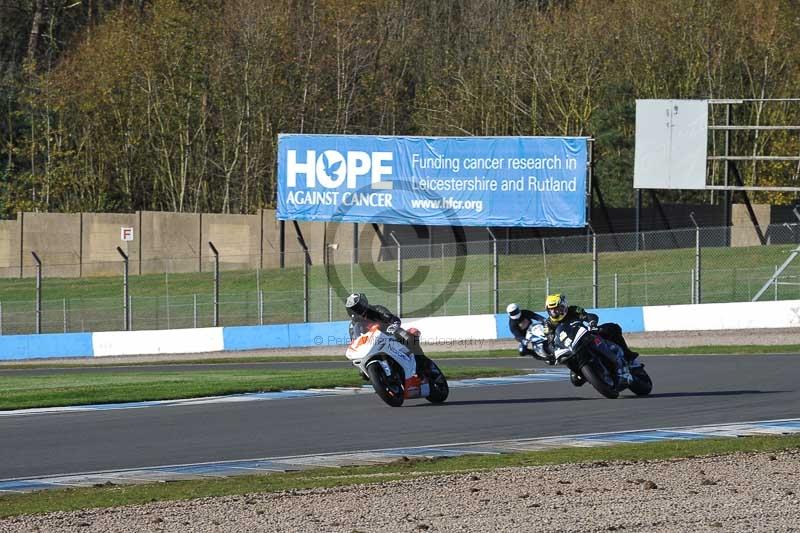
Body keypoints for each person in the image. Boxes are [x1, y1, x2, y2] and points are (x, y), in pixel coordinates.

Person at [542, 293, 639, 386]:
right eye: (551, 310)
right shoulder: (548, 324)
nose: (555, 312)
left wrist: (592, 324)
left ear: (564, 306)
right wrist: (552, 352)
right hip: (571, 348)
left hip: (586, 335)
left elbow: (588, 316)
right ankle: (594, 375)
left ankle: (628, 356)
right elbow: (550, 341)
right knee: (576, 380)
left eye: (558, 309)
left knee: (613, 328)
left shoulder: (573, 310)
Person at [345, 293, 436, 378]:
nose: (356, 311)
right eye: (353, 309)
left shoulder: (377, 309)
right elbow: (355, 342)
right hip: (373, 345)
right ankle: (383, 381)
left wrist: (393, 326)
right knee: (363, 373)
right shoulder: (353, 326)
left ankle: (423, 362)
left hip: (390, 334)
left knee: (409, 338)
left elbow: (394, 320)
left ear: (363, 304)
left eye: (357, 308)